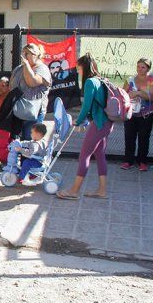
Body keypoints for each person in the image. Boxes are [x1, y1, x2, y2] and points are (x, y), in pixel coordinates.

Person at [57, 54, 112, 200]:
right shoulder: (100, 79)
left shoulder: (89, 82)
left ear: (84, 67)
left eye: (78, 67)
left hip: (99, 123)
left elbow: (86, 105)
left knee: (84, 155)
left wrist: (78, 120)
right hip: (107, 123)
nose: (77, 70)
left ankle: (74, 191)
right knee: (100, 155)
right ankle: (102, 190)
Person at [121, 58, 153, 171]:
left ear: (148, 68)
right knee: (129, 137)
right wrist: (128, 96)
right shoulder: (130, 79)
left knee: (144, 138)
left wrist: (138, 93)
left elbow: (152, 96)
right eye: (138, 67)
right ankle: (128, 161)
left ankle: (142, 161)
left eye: (143, 67)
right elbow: (123, 93)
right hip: (131, 113)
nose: (140, 69)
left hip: (146, 114)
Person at [10, 43, 52, 140]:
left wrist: (27, 65)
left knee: (29, 142)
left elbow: (31, 82)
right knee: (16, 142)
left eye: (27, 53)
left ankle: (28, 155)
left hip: (34, 112)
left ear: (35, 55)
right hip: (18, 110)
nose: (24, 56)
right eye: (23, 53)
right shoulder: (19, 69)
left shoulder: (42, 69)